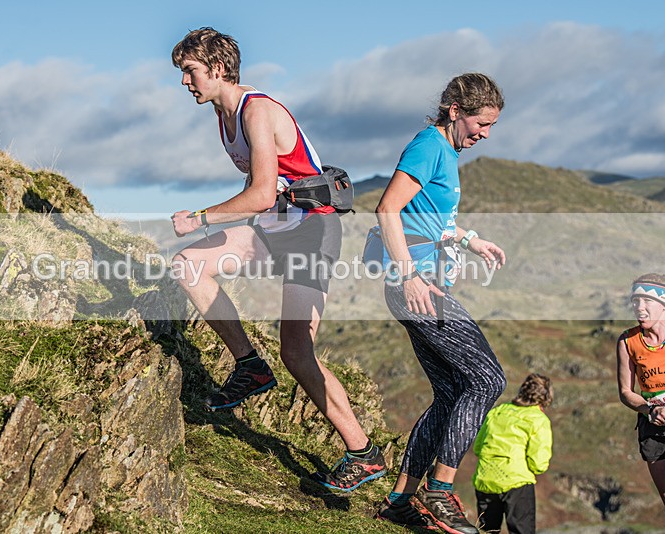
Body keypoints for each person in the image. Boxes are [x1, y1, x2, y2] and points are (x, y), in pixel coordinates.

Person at [169, 27, 385, 491]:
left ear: (218, 68)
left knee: (297, 351)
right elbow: (267, 200)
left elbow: (263, 191)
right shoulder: (223, 115)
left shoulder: (257, 111)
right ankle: (249, 365)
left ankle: (363, 453)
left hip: (312, 231)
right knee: (188, 264)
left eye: (190, 72)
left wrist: (201, 217)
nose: (185, 82)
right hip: (272, 229)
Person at [372, 73, 508, 533]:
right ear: (455, 111)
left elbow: (427, 216)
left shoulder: (445, 152)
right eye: (481, 124)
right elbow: (388, 209)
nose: (484, 134)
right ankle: (440, 489)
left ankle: (399, 499)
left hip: (427, 283)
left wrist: (470, 239)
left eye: (490, 127)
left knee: (452, 393)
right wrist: (408, 275)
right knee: (489, 380)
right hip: (419, 285)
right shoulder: (429, 146)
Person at [472, 373, 553, 534]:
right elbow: (539, 464)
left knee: (487, 530)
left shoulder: (497, 411)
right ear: (546, 397)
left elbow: (477, 447)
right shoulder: (538, 419)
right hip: (517, 483)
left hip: (485, 480)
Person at [616, 273, 665, 507]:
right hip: (653, 425)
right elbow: (626, 392)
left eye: (647, 301)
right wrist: (649, 410)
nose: (639, 308)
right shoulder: (627, 341)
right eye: (635, 302)